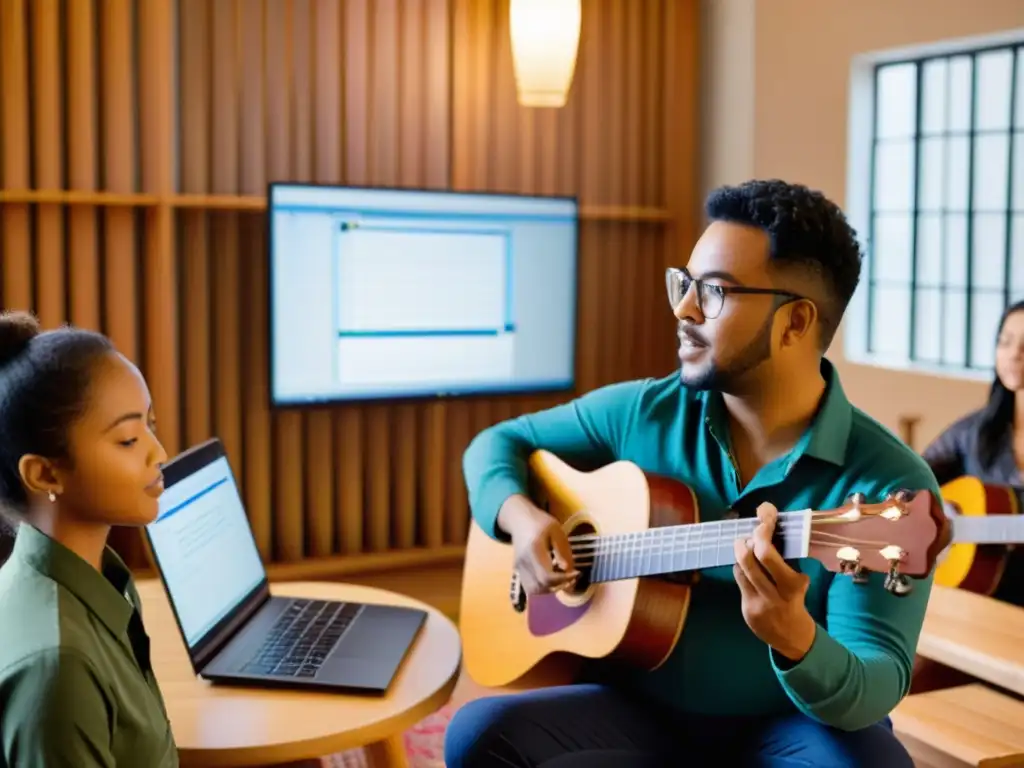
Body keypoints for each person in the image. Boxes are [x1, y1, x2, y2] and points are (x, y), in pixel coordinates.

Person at [445, 180, 941, 768]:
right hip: (637, 710)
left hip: (788, 725)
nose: (683, 309)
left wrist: (794, 637)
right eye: (684, 284)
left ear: (795, 322)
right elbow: (496, 444)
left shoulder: (885, 489)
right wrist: (520, 517)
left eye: (714, 292)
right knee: (479, 735)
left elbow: (875, 685)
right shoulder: (642, 411)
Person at [0, 311, 177, 767]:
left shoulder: (99, 575)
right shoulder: (58, 667)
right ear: (44, 473)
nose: (159, 454)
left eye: (150, 426)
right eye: (127, 440)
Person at [922, 300, 1024, 608]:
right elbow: (912, 477)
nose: (1014, 353)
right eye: (1005, 342)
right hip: (981, 600)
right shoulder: (973, 431)